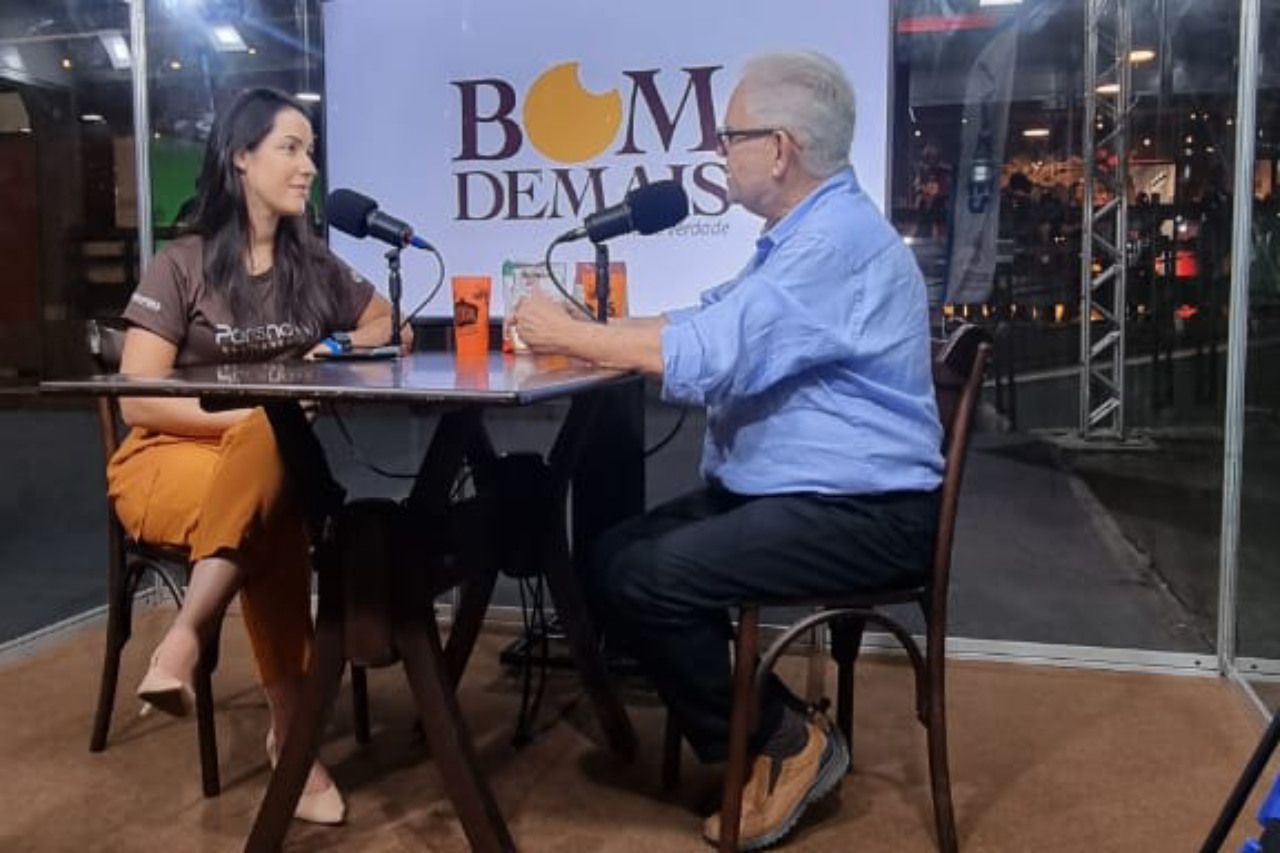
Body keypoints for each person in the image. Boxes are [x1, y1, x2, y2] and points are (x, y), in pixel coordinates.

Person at [513, 51, 943, 848]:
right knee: (611, 556)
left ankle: (787, 739)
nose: (719, 152)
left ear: (779, 149)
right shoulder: (802, 235)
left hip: (861, 511)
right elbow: (705, 319)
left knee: (643, 574)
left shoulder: (832, 245)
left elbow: (710, 352)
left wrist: (568, 333)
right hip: (801, 493)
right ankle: (760, 734)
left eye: (729, 136)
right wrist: (590, 337)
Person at [108, 87, 408, 825]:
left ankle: (188, 640)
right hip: (166, 461)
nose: (308, 167)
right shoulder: (181, 265)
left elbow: (383, 320)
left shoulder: (315, 267)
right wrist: (254, 417)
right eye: (290, 148)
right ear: (241, 157)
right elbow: (138, 401)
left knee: (271, 503)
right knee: (274, 486)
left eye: (310, 150)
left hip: (260, 479)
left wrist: (333, 344)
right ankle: (292, 739)